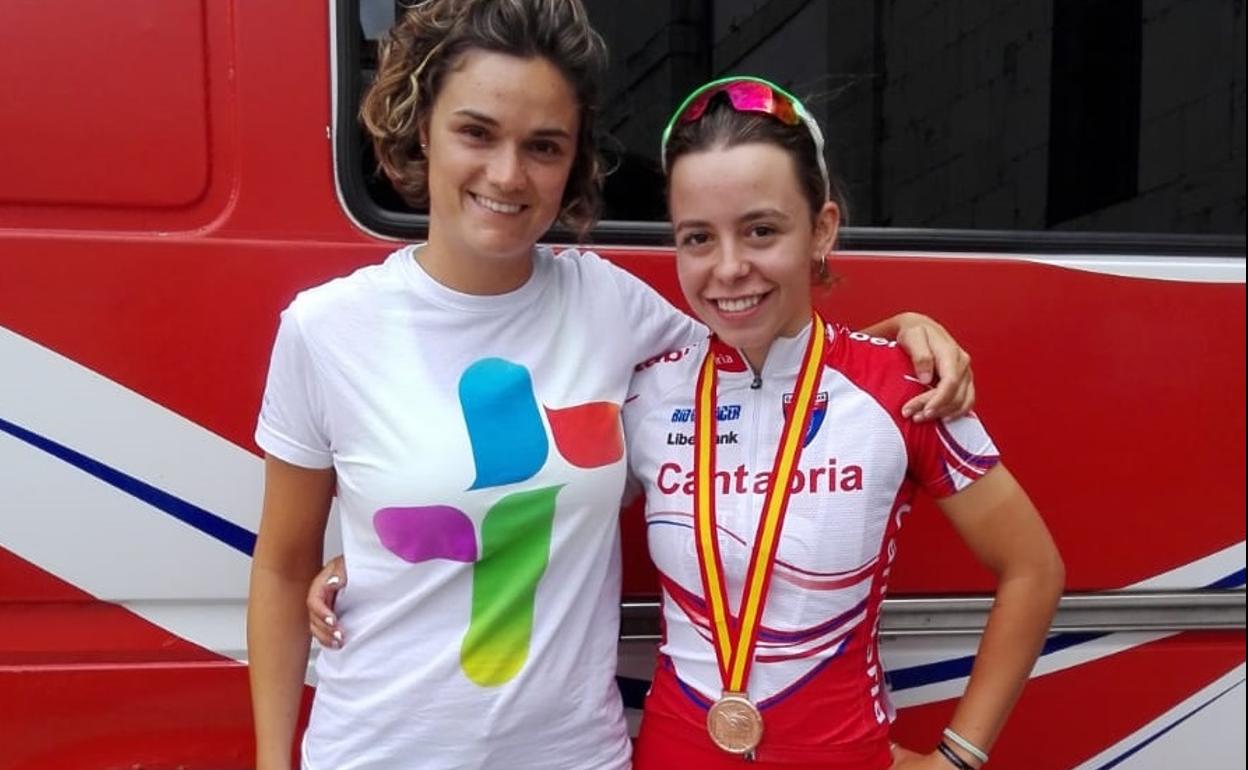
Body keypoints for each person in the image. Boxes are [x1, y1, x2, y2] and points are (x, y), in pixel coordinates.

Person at [261, 2, 976, 768]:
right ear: (422, 129)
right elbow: (279, 568)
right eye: (476, 132)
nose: (507, 174)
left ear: (573, 162)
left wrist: (901, 329)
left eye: (543, 146)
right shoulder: (325, 329)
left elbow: (762, 342)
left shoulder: (609, 304)